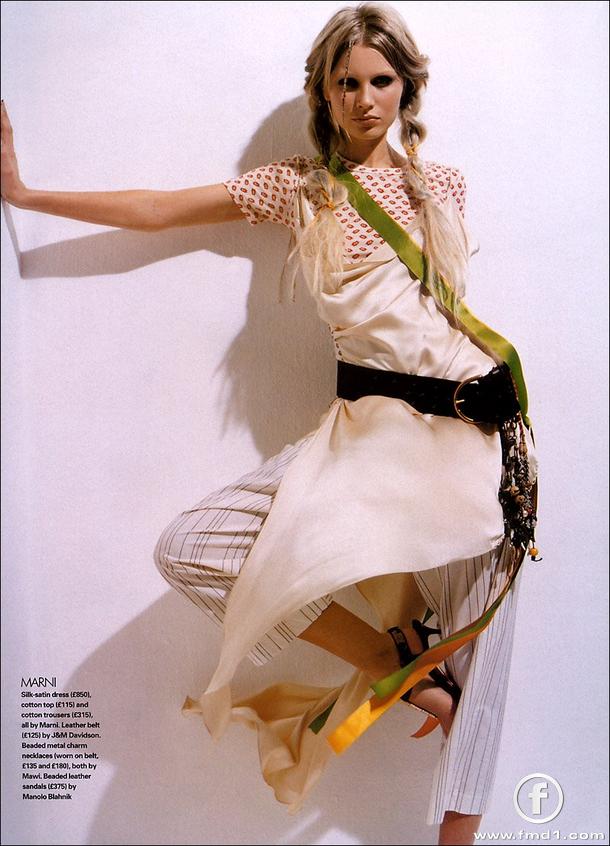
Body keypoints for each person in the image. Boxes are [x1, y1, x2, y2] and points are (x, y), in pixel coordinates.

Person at [0, 3, 539, 843]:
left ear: (407, 87)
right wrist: (25, 194)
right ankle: (401, 668)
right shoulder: (299, 188)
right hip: (367, 439)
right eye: (346, 82)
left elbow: (438, 322)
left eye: (382, 81)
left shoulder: (445, 187)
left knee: (484, 689)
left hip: (477, 439)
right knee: (192, 546)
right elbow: (160, 207)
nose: (365, 99)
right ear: (323, 93)